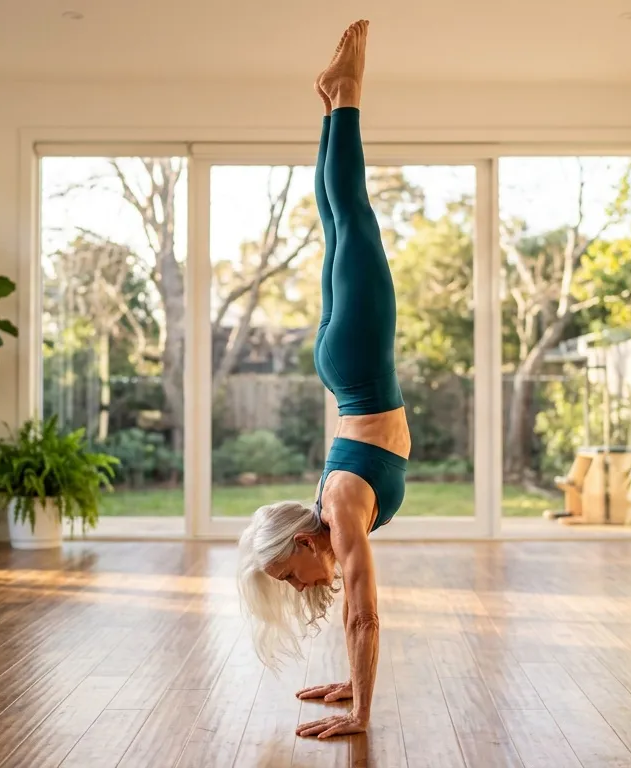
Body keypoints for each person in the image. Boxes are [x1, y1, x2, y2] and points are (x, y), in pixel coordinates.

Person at [236, 19, 408, 741]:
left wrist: (361, 717)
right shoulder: (334, 515)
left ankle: (344, 98)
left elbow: (363, 613)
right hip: (343, 362)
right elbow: (356, 613)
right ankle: (334, 103)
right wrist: (349, 686)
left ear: (304, 543)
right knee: (341, 223)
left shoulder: (338, 512)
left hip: (360, 360)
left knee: (352, 219)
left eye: (286, 573)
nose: (296, 584)